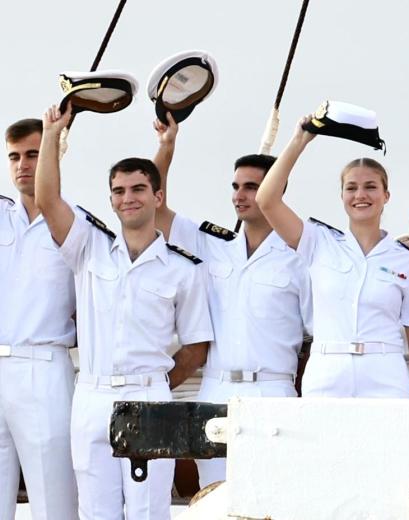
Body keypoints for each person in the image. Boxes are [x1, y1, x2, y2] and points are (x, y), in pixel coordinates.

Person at [35, 103, 213, 519]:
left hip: (148, 395)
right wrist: (51, 134)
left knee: (148, 511)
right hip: (92, 395)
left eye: (137, 189)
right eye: (119, 191)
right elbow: (47, 199)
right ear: (111, 200)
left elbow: (197, 346)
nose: (127, 198)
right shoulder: (88, 248)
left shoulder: (183, 269)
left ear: (157, 196)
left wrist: (157, 385)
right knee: (95, 511)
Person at [151, 114, 312, 487]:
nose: (240, 195)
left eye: (252, 187)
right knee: (215, 496)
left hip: (274, 390)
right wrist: (166, 147)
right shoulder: (213, 245)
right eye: (236, 186)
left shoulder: (301, 256)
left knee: (274, 495)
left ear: (277, 190)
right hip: (217, 388)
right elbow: (155, 210)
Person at [256, 115, 409, 398]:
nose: (360, 194)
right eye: (351, 187)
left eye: (371, 186)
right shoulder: (317, 241)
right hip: (328, 370)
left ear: (386, 195)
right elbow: (266, 200)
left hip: (385, 373)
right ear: (341, 195)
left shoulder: (408, 261)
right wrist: (299, 140)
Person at [0, 118, 78, 519]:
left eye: (33, 154)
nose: (22, 165)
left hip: (44, 368)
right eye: (14, 157)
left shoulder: (76, 226)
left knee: (54, 501)